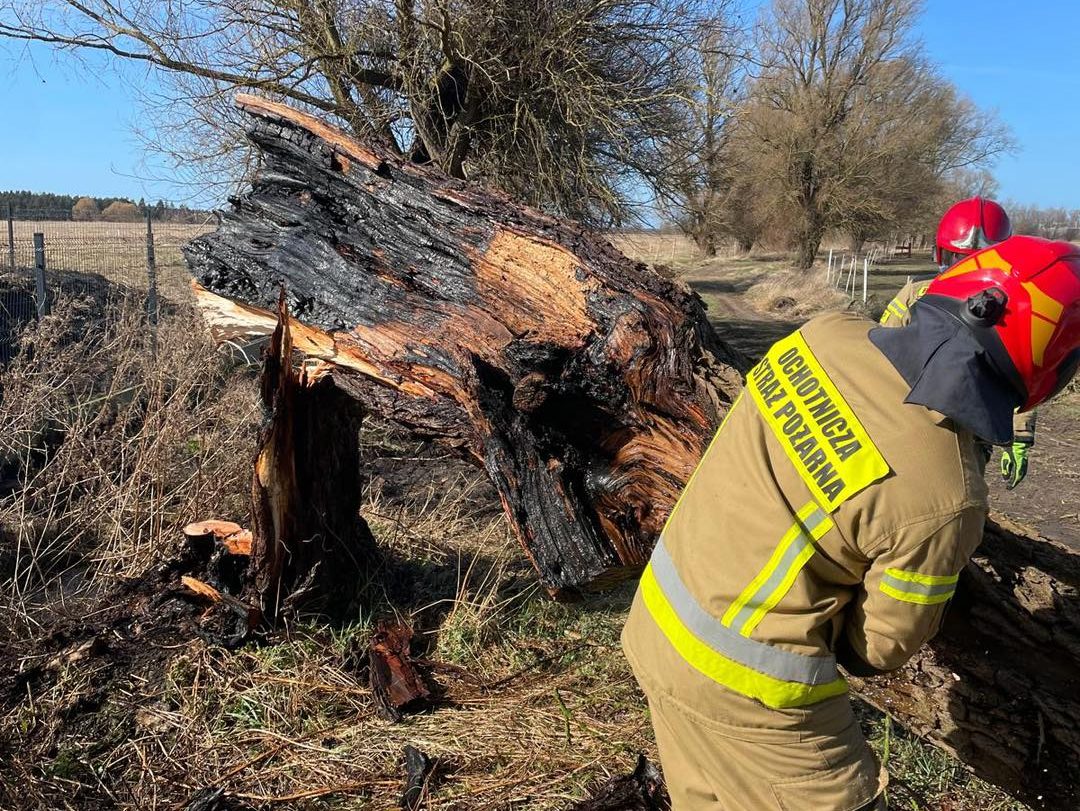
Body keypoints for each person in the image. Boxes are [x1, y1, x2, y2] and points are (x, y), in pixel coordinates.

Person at [621, 235, 1080, 811]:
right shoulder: (948, 499)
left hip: (657, 621)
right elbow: (879, 649)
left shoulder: (822, 335)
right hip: (754, 697)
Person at [879, 197, 1035, 489]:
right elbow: (880, 350)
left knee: (960, 495)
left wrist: (1020, 437)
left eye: (980, 261)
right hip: (907, 417)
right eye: (959, 259)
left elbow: (1023, 378)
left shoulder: (1014, 313)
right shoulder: (915, 294)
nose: (967, 271)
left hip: (970, 432)